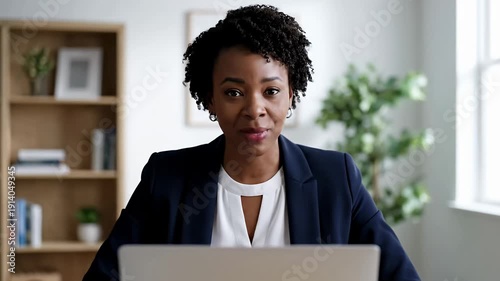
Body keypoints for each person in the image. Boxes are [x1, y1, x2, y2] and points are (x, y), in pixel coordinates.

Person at [83, 4, 420, 281]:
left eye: (271, 91)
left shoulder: (337, 177)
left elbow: (400, 276)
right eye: (233, 92)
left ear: (291, 95)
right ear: (210, 99)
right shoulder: (167, 177)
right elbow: (104, 276)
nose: (254, 109)